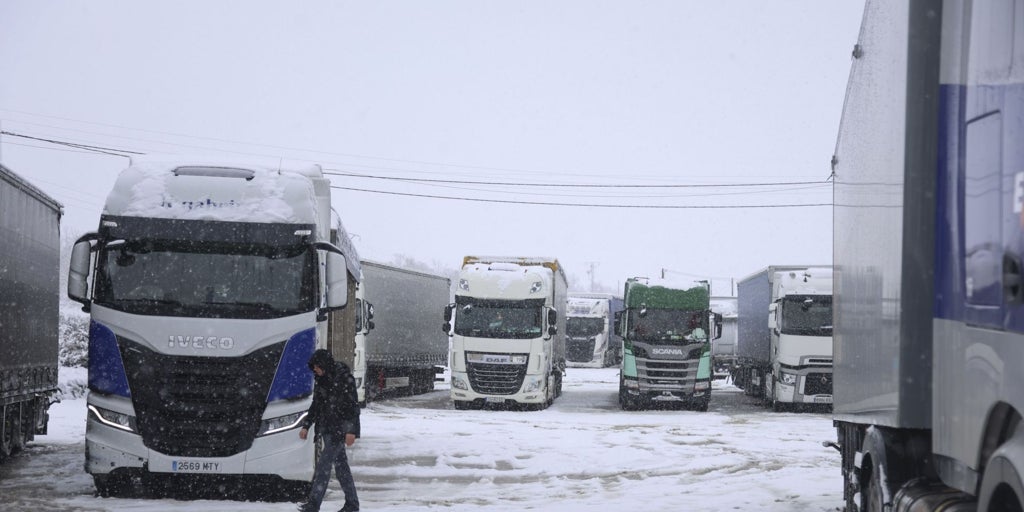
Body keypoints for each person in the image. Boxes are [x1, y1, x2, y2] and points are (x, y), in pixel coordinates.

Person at [297, 349, 361, 512]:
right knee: (341, 468)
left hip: (339, 430)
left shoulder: (344, 379)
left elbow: (352, 407)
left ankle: (313, 504)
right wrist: (306, 425)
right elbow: (316, 405)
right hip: (326, 428)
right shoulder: (321, 379)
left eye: (317, 367)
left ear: (325, 364)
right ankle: (352, 504)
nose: (315, 370)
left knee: (324, 466)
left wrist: (351, 431)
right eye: (313, 368)